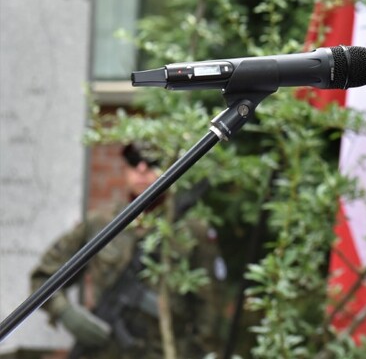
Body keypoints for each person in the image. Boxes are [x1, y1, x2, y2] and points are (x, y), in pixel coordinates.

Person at [30, 143, 225, 358]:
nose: (141, 169)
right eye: (133, 161)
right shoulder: (101, 225)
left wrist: (198, 351)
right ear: (125, 169)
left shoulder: (191, 230)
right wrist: (66, 313)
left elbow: (210, 308)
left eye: (152, 161)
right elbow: (42, 278)